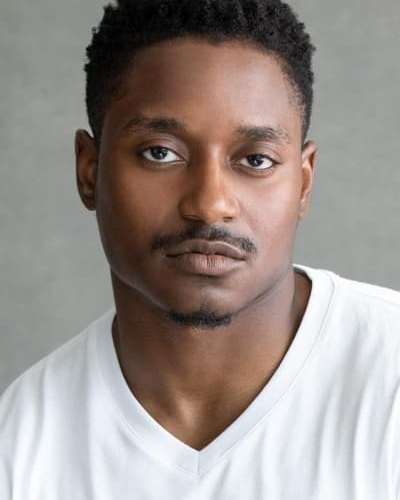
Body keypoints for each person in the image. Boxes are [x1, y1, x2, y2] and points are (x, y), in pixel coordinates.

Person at [1, 0, 399, 498]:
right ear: (89, 170)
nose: (210, 204)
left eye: (256, 160)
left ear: (303, 182)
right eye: (160, 152)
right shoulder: (20, 448)